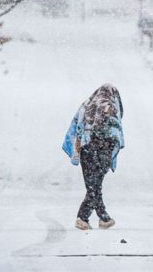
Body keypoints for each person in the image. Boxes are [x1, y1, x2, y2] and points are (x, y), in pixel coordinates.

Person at [62, 84, 125, 230]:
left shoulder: (86, 106)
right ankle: (91, 218)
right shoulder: (111, 107)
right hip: (103, 151)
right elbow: (115, 132)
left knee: (93, 186)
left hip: (86, 151)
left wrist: (79, 147)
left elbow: (76, 127)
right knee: (95, 187)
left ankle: (96, 218)